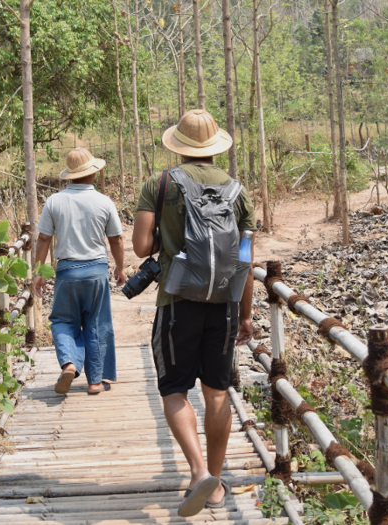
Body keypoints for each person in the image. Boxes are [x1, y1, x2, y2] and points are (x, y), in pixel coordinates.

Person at [132, 109, 256, 516]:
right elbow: (245, 258)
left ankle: (199, 470)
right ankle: (216, 483)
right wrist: (246, 315)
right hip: (222, 303)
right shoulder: (238, 191)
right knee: (217, 392)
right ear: (216, 146)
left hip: (176, 302)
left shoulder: (161, 183)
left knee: (173, 389)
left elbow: (139, 245)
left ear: (179, 145)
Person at [32, 147, 126, 395]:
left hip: (67, 272)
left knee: (63, 320)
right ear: (93, 173)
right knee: (97, 323)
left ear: (70, 176)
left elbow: (43, 239)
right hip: (96, 271)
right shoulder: (104, 201)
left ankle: (70, 363)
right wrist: (120, 268)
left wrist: (38, 272)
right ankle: (95, 381)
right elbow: (116, 239)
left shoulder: (54, 201)